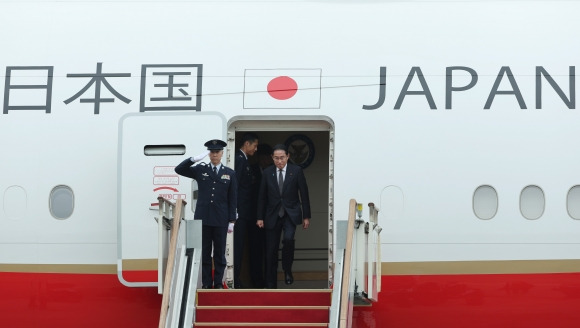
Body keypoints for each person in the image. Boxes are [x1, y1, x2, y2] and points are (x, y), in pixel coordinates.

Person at [174, 139, 237, 289]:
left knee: (220, 253)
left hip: (221, 218)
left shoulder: (230, 173)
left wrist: (232, 220)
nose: (214, 155)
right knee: (205, 253)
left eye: (217, 152)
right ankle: (207, 283)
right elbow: (179, 169)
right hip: (203, 218)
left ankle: (218, 283)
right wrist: (193, 159)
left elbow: (233, 198)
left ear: (222, 153)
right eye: (212, 152)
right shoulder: (200, 170)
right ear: (208, 154)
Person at [257, 143, 311, 288]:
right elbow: (262, 196)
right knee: (271, 251)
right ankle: (270, 284)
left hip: (290, 214)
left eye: (282, 158)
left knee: (288, 240)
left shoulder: (296, 171)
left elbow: (304, 194)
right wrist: (259, 217)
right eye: (276, 158)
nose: (279, 161)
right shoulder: (268, 172)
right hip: (272, 215)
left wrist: (306, 216)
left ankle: (287, 270)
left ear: (288, 156)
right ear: (272, 158)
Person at [233, 132, 259, 289]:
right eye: (255, 146)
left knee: (241, 245)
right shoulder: (239, 159)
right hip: (239, 212)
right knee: (237, 246)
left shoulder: (244, 160)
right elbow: (236, 186)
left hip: (244, 211)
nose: (256, 149)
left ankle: (236, 278)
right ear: (247, 144)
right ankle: (235, 279)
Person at [247, 143, 273, 288]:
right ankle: (256, 281)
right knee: (255, 250)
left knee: (270, 250)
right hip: (253, 217)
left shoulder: (274, 171)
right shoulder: (251, 170)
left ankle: (270, 281)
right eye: (261, 157)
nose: (264, 160)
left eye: (266, 157)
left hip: (271, 217)